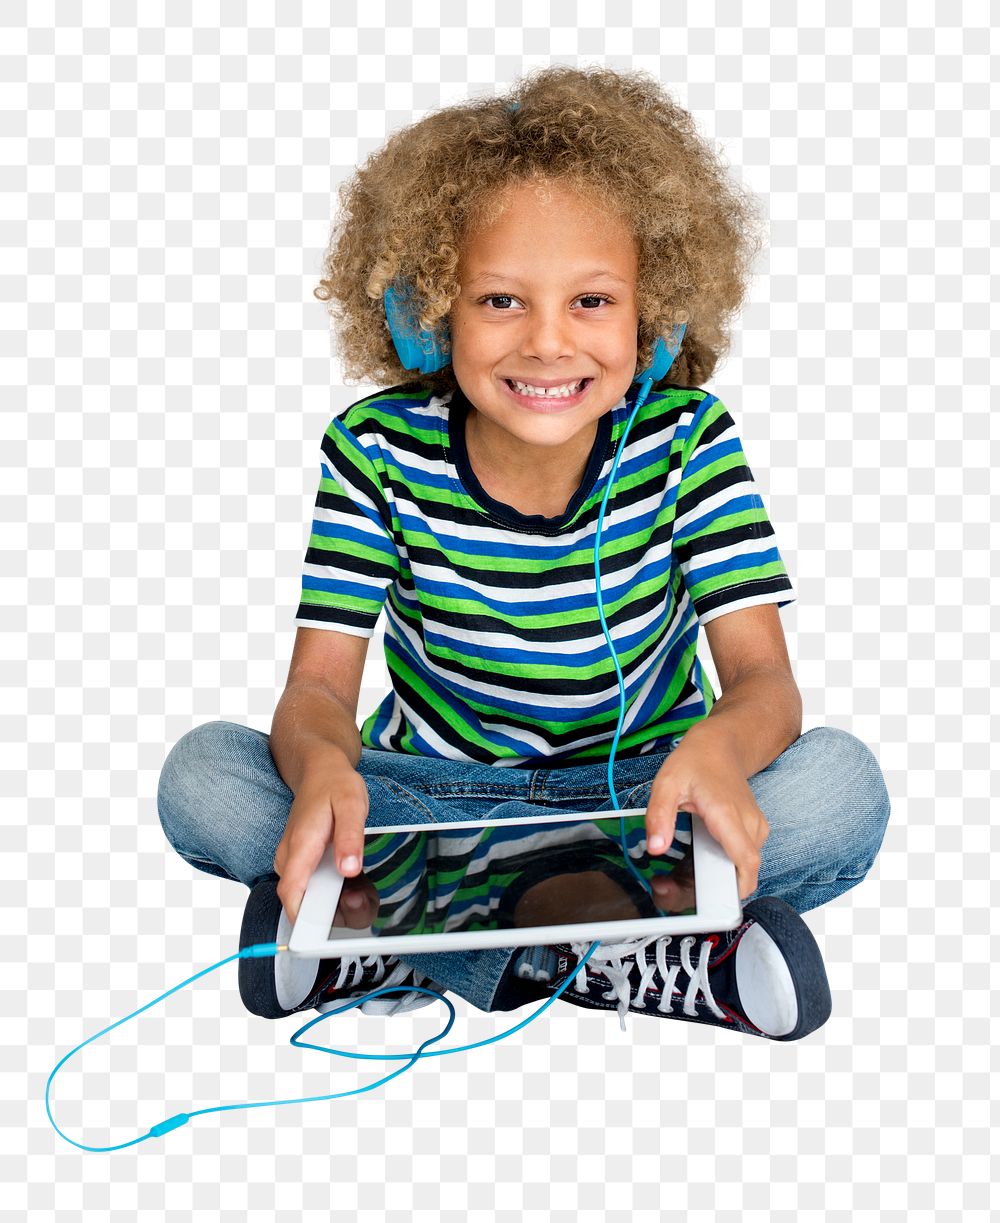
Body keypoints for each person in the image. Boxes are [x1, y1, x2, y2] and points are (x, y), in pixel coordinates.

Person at [157, 65, 891, 1037]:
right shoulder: (375, 450)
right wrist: (327, 767)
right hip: (430, 797)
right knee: (204, 777)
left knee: (840, 785)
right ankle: (625, 953)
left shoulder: (688, 439)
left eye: (591, 301)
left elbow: (764, 682)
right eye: (501, 300)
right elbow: (319, 689)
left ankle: (391, 939)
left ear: (654, 314)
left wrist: (716, 752)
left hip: (648, 794)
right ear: (430, 314)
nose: (548, 343)